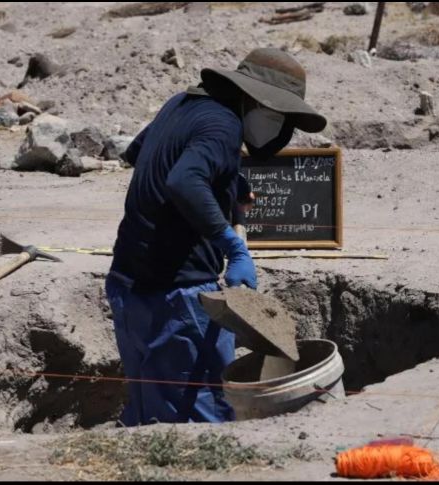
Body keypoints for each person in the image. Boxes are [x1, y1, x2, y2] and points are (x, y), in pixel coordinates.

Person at [106, 47, 327, 426]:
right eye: (278, 116)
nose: (279, 127)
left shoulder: (180, 103)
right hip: (179, 296)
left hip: (128, 287)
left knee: (151, 412)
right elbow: (183, 180)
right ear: (254, 100)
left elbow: (141, 152)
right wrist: (232, 245)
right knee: (203, 420)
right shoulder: (223, 124)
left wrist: (225, 180)